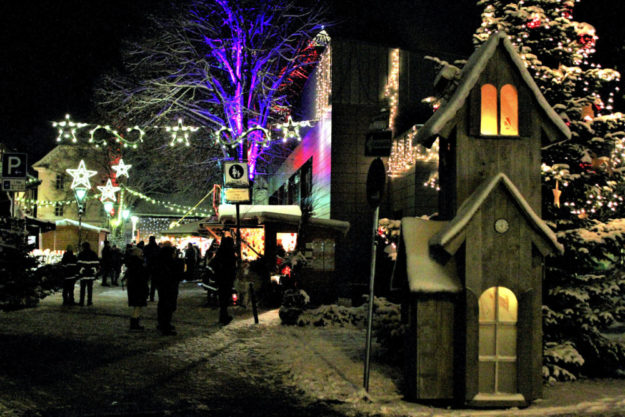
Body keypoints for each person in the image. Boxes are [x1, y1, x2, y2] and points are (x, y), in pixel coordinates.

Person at [155, 241, 183, 335]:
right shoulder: (169, 263)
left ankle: (163, 323)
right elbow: (175, 274)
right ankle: (165, 326)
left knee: (163, 304)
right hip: (169, 286)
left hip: (163, 285)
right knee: (167, 305)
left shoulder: (160, 260)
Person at [211, 236, 237, 325]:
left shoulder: (220, 252)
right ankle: (223, 316)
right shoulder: (229, 253)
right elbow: (231, 265)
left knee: (223, 298)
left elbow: (215, 264)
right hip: (226, 278)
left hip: (221, 278)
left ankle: (223, 315)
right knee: (225, 297)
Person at [124, 246, 148, 331]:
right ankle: (134, 324)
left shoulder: (132, 262)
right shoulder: (138, 263)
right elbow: (141, 276)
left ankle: (135, 323)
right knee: (138, 305)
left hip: (134, 286)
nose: (142, 254)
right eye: (141, 252)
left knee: (137, 306)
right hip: (138, 286)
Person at [77, 241, 99, 306]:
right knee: (90, 289)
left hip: (83, 274)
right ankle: (89, 302)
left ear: (83, 247)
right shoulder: (93, 254)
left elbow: (78, 264)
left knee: (82, 289)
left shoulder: (81, 254)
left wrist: (80, 271)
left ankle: (81, 302)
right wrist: (94, 271)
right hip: (90, 274)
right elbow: (96, 264)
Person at [143, 236, 159, 302]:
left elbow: (144, 255)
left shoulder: (146, 247)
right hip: (155, 266)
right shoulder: (157, 248)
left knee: (146, 281)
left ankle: (146, 294)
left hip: (148, 265)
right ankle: (152, 296)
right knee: (153, 282)